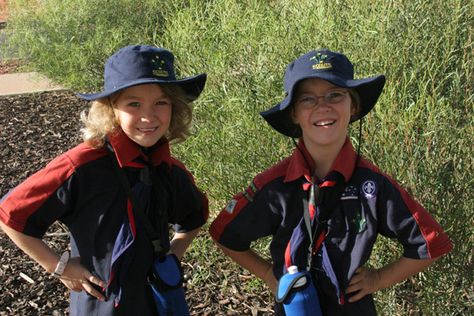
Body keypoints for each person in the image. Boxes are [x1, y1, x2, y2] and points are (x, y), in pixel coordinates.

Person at [209, 49, 453, 315]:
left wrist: (378, 279)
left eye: (335, 95)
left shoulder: (372, 186)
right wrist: (269, 273)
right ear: (293, 114)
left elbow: (431, 244)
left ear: (354, 106)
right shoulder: (275, 186)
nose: (322, 106)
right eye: (307, 99)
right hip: (294, 308)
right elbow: (224, 234)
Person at [0, 45, 209, 315]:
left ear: (175, 108)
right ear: (111, 109)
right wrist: (59, 267)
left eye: (161, 102)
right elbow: (11, 213)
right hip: (100, 305)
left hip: (156, 303)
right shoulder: (81, 166)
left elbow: (195, 215)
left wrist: (173, 254)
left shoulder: (168, 168)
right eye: (134, 103)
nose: (149, 116)